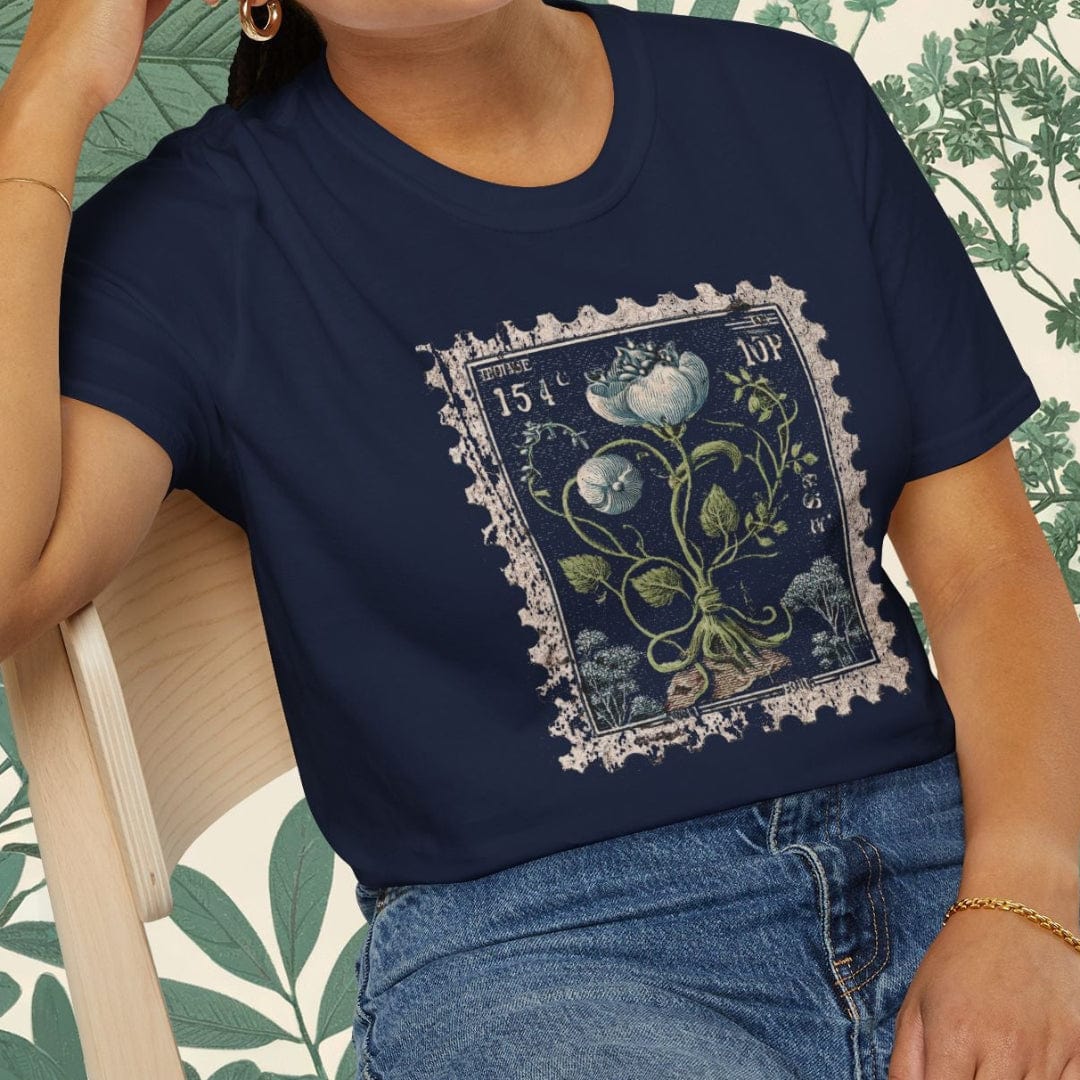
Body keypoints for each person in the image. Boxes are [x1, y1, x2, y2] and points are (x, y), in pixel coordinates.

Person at [2, 0, 1079, 1075]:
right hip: (541, 957)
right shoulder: (198, 237)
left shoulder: (795, 105)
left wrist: (1025, 904)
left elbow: (986, 570)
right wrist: (50, 90)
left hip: (956, 852)